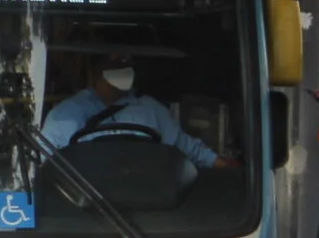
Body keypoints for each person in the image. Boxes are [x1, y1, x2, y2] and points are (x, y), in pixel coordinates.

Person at [44, 56, 220, 169]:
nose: (122, 69)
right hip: (87, 211)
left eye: (126, 64)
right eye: (114, 64)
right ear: (97, 71)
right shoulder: (64, 115)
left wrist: (225, 165)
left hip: (151, 207)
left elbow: (190, 150)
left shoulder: (150, 109)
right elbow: (41, 169)